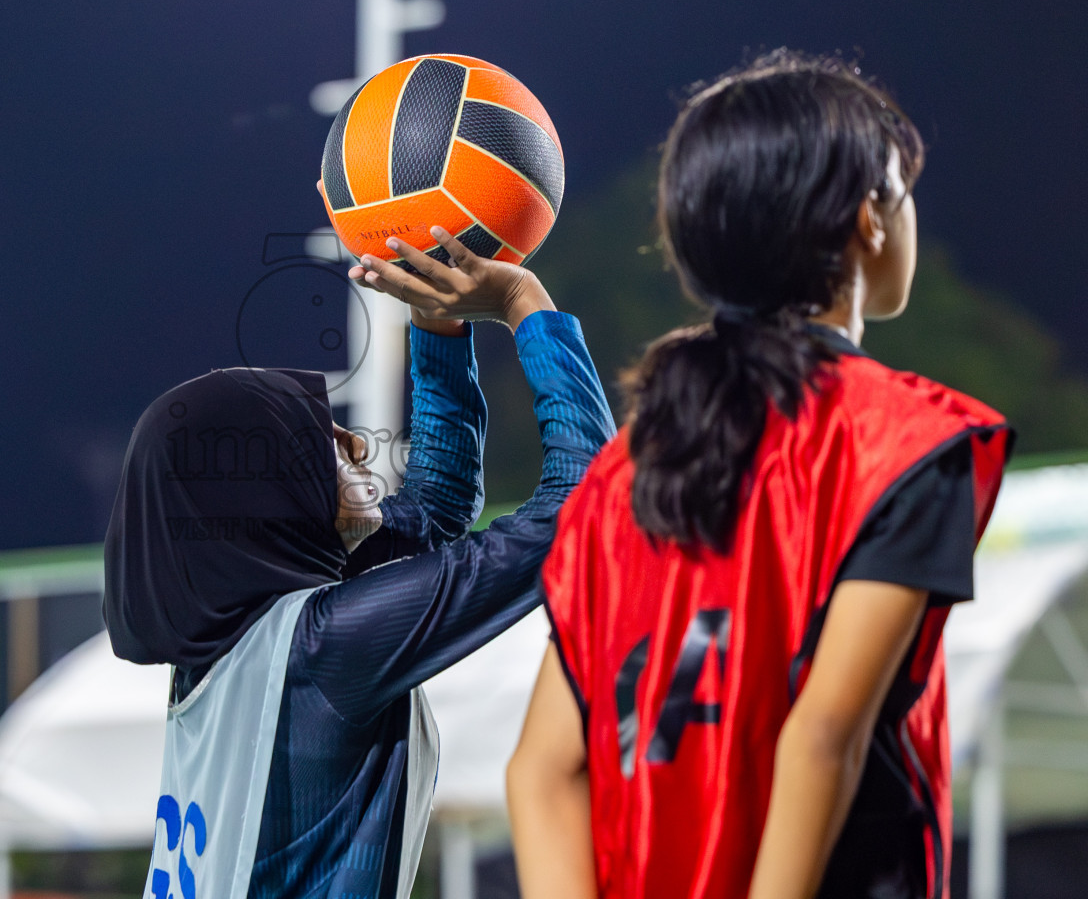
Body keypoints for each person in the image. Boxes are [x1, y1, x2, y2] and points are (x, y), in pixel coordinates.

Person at [507, 52, 1013, 899]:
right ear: (870, 219)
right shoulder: (907, 442)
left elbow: (542, 772)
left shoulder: (624, 472)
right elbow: (822, 738)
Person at [104, 231, 614, 899]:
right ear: (272, 498)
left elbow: (436, 507)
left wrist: (436, 321)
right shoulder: (318, 652)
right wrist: (524, 301)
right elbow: (584, 500)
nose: (362, 456)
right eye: (333, 451)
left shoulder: (233, 646)